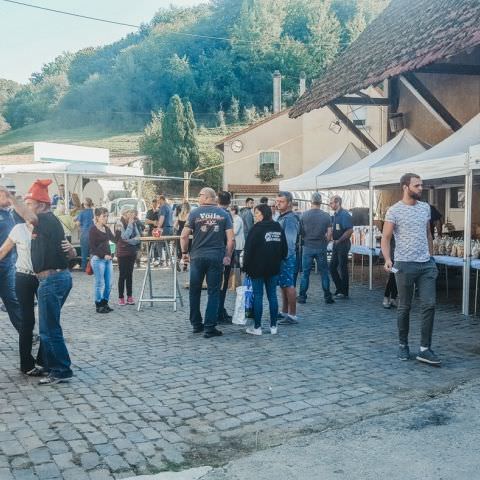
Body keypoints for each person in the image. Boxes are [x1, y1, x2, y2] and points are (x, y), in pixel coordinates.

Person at [12, 179, 76, 385]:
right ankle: (50, 364)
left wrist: (10, 195)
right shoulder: (47, 221)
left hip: (52, 280)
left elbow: (28, 215)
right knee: (49, 327)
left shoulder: (46, 219)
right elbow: (66, 251)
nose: (29, 208)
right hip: (56, 278)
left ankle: (62, 369)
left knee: (49, 329)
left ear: (42, 205)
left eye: (31, 204)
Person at [382, 173, 440, 366]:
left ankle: (425, 349)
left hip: (426, 265)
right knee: (404, 306)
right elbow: (386, 238)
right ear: (405, 187)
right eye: (417, 186)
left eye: (421, 185)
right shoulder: (394, 211)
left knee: (429, 304)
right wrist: (388, 259)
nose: (421, 188)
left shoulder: (425, 208)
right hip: (404, 265)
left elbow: (428, 234)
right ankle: (403, 344)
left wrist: (432, 258)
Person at [180, 187, 234, 338]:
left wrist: (184, 253)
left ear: (209, 197)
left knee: (194, 291)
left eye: (200, 195)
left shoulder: (194, 213)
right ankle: (210, 327)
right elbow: (231, 239)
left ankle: (197, 324)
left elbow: (184, 236)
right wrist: (228, 255)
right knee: (213, 292)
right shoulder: (224, 214)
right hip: (216, 257)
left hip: (197, 257)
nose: (198, 197)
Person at [0, 214, 43, 375]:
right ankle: (26, 364)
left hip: (42, 277)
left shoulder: (44, 227)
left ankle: (43, 361)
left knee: (47, 319)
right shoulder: (18, 229)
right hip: (23, 276)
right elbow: (3, 250)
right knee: (27, 321)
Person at [243, 203, 287, 335]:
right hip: (273, 267)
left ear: (263, 214)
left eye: (257, 213)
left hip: (257, 267)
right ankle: (274, 326)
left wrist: (246, 267)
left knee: (258, 296)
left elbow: (248, 250)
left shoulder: (256, 229)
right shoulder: (277, 227)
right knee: (272, 295)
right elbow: (284, 249)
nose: (254, 216)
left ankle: (257, 327)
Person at [298, 192, 334, 305]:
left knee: (305, 274)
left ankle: (302, 296)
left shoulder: (303, 215)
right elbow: (329, 234)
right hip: (321, 247)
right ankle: (327, 296)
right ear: (321, 202)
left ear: (311, 202)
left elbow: (300, 232)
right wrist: (325, 242)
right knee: (324, 273)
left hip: (307, 247)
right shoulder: (326, 216)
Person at [0, 182, 22, 335]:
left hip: (8, 266)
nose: (11, 197)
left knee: (12, 300)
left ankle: (26, 332)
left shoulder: (10, 213)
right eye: (8, 194)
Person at [276, 191, 300, 325]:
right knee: (283, 284)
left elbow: (290, 241)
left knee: (289, 284)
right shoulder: (282, 216)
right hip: (283, 256)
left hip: (287, 256)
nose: (278, 203)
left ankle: (292, 315)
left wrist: (284, 256)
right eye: (277, 201)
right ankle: (285, 311)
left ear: (289, 203)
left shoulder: (290, 218)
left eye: (281, 201)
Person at [89, 207, 116, 314]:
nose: (106, 218)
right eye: (103, 216)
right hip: (98, 260)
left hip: (108, 260)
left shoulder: (107, 229)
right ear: (97, 217)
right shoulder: (93, 229)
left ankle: (105, 303)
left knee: (109, 283)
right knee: (99, 283)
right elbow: (92, 247)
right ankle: (99, 304)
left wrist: (112, 254)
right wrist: (103, 255)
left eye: (107, 216)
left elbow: (114, 242)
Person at [115, 207, 141, 306]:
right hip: (122, 252)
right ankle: (121, 297)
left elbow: (138, 238)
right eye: (130, 213)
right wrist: (130, 225)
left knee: (129, 274)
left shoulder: (133, 223)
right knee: (122, 275)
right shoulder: (119, 223)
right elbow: (124, 236)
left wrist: (130, 242)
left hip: (131, 252)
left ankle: (129, 296)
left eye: (132, 213)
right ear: (125, 214)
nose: (132, 215)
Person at [329, 195, 353, 299]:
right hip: (336, 244)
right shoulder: (336, 214)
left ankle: (344, 292)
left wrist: (339, 240)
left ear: (338, 202)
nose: (330, 204)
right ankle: (340, 288)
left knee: (343, 268)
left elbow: (349, 230)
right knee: (332, 267)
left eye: (332, 203)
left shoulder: (344, 214)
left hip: (343, 244)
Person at [216, 191, 235, 324]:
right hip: (225, 252)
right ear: (229, 202)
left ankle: (219, 310)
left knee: (217, 284)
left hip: (215, 251)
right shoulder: (227, 215)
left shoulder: (215, 213)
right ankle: (219, 312)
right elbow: (230, 238)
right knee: (222, 285)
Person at [75, 198, 94, 271]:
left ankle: (84, 268)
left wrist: (76, 221)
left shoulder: (82, 213)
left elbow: (78, 223)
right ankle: (92, 268)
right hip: (93, 233)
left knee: (84, 252)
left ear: (84, 204)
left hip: (85, 234)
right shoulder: (93, 212)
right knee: (92, 252)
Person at [157, 195, 174, 266]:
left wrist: (158, 227)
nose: (158, 202)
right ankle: (168, 260)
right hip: (170, 228)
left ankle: (162, 260)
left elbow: (162, 218)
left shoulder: (163, 207)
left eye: (158, 200)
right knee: (169, 244)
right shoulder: (169, 207)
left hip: (164, 228)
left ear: (162, 199)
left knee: (159, 243)